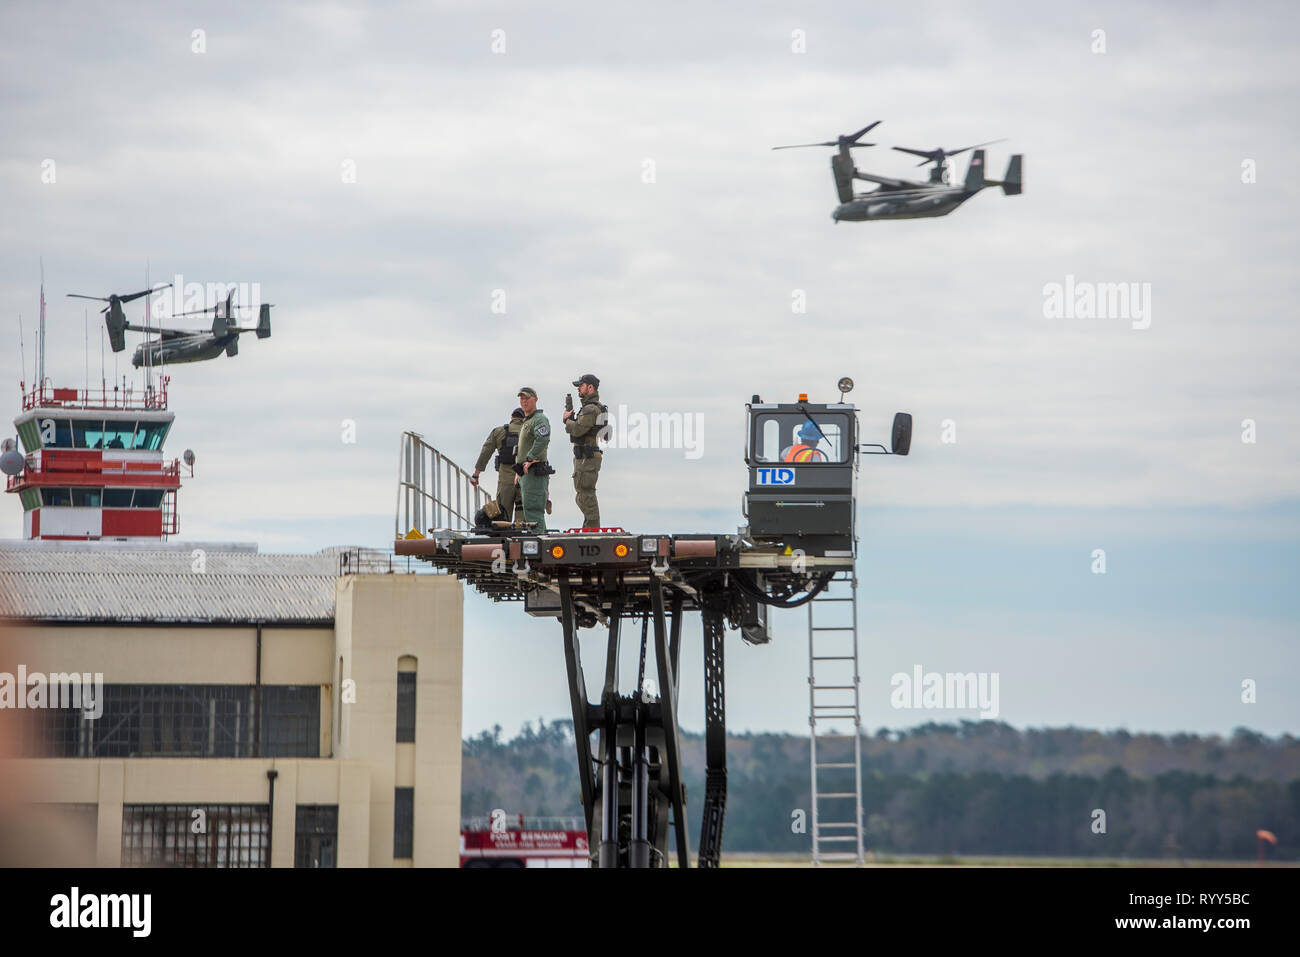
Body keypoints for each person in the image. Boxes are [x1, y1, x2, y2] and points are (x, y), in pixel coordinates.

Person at [563, 373, 606, 529]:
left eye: (581, 386)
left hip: (587, 457)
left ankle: (592, 529)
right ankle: (590, 527)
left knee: (586, 494)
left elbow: (578, 430)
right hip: (586, 456)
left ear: (590, 387)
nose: (578, 389)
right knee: (583, 494)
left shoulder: (590, 409)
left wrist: (567, 421)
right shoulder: (593, 408)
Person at [471, 407, 525, 523]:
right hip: (525, 479)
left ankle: (506, 540)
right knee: (523, 518)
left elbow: (485, 452)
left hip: (505, 481)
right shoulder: (528, 431)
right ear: (523, 418)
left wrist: (476, 474)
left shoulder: (499, 431)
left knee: (503, 517)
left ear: (512, 418)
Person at [515, 387, 552, 532]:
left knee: (534, 513)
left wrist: (530, 457)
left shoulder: (539, 419)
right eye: (521, 399)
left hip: (534, 472)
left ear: (535, 399)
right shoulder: (528, 421)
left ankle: (538, 548)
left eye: (527, 398)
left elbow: (543, 438)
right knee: (530, 512)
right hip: (526, 473)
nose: (524, 401)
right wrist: (519, 471)